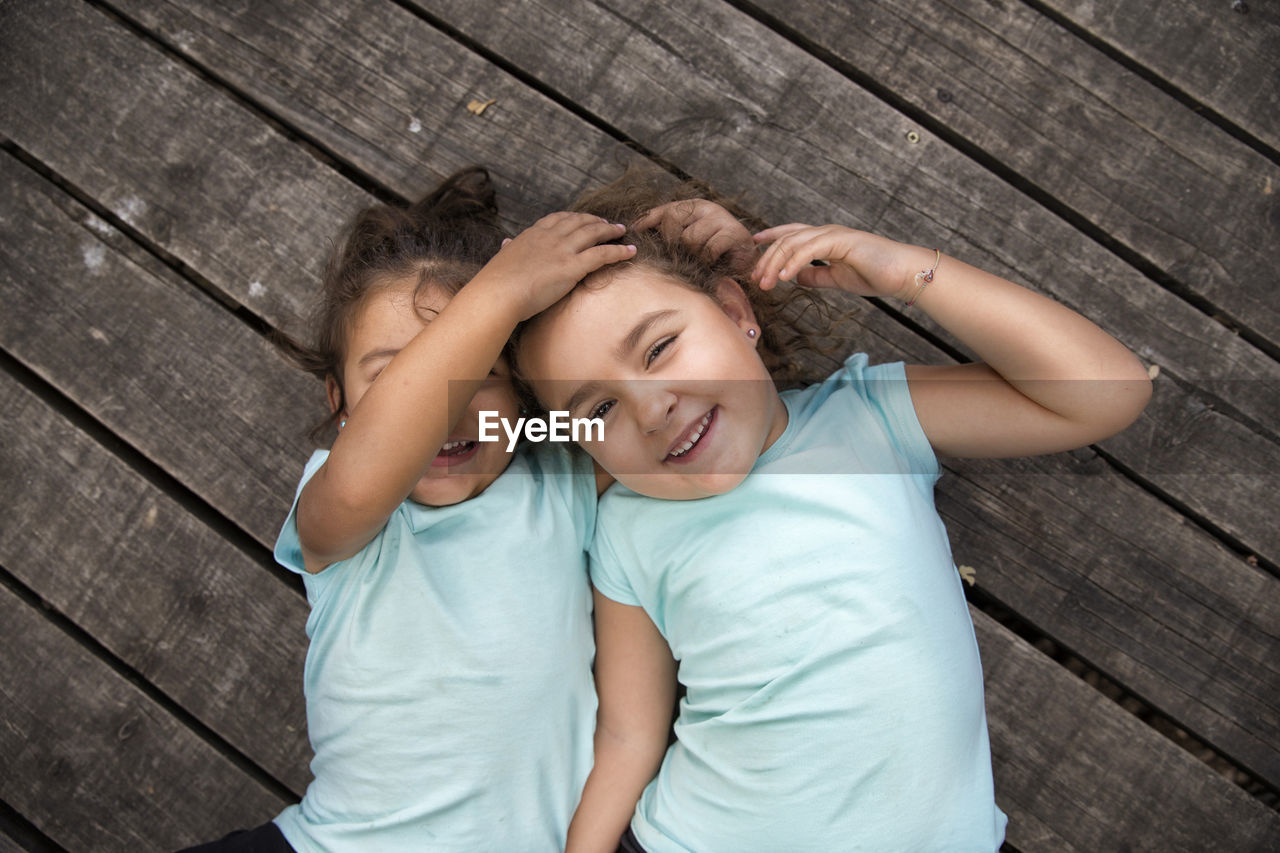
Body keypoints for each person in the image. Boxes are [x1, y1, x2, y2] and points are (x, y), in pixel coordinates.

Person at [513, 170, 1153, 852]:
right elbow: (629, 730)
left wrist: (906, 272)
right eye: (600, 409)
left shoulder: (869, 419)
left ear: (736, 313)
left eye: (660, 346)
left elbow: (1107, 394)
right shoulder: (626, 528)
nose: (651, 407)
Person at [178, 168, 634, 853]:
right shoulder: (348, 516)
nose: (443, 407)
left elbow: (669, 407)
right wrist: (501, 292)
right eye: (397, 378)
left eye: (480, 372)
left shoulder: (561, 478)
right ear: (340, 405)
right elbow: (368, 473)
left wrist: (693, 240)